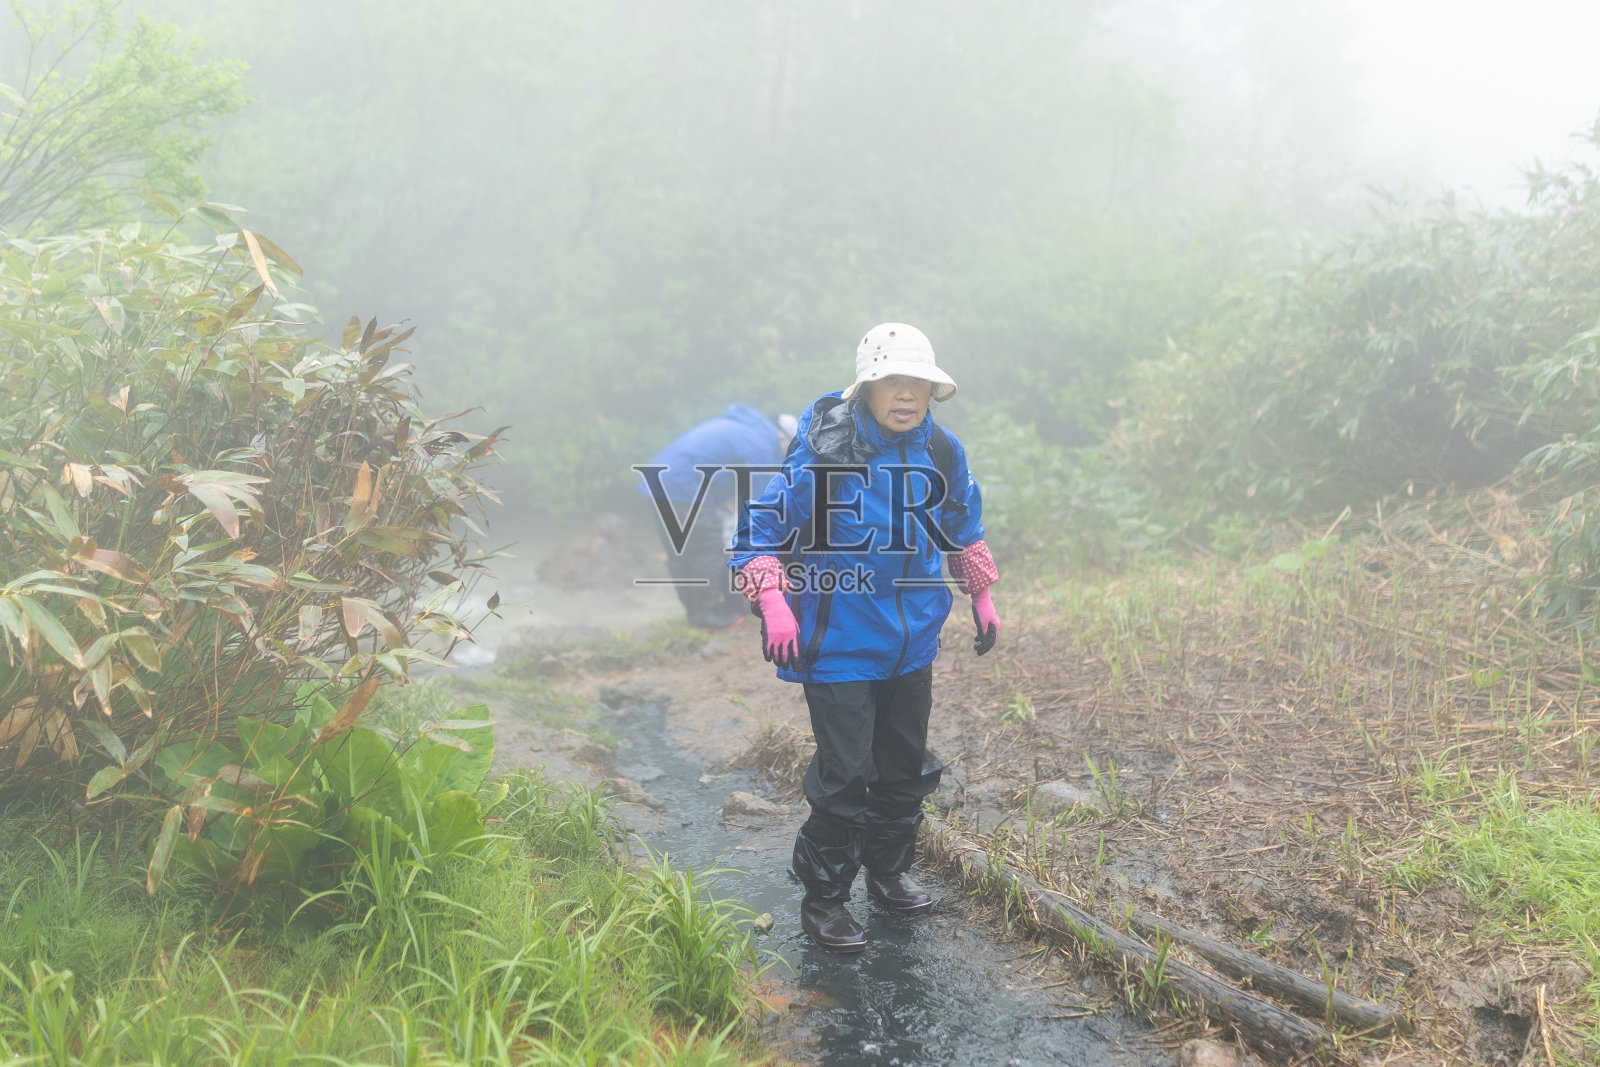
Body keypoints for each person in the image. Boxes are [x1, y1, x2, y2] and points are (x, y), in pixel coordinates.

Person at [728, 323, 1000, 952]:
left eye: (919, 384)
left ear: (934, 392)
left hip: (912, 641)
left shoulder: (940, 451)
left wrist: (979, 593)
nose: (906, 395)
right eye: (892, 382)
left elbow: (962, 518)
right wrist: (773, 602)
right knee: (846, 776)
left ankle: (888, 873)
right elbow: (759, 528)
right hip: (840, 643)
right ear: (866, 389)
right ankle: (824, 902)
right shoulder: (827, 451)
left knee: (903, 766)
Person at [637, 404, 797, 630]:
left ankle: (696, 614)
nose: (786, 456)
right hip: (682, 486)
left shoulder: (743, 428)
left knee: (681, 552)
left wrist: (724, 498)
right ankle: (708, 615)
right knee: (708, 547)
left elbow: (715, 464)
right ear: (782, 437)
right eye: (790, 448)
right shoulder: (761, 442)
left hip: (659, 481)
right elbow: (759, 503)